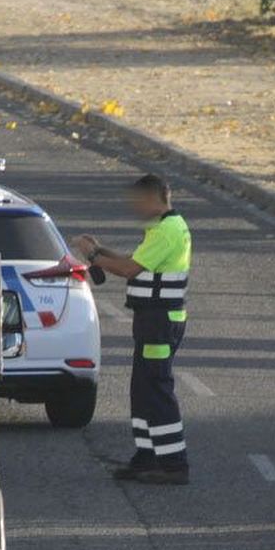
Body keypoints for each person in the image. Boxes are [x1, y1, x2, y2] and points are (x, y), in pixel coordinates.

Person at [72, 175, 192, 485]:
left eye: (138, 201)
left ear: (153, 199)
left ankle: (173, 464)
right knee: (142, 389)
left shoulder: (166, 231)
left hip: (160, 322)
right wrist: (100, 249)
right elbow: (132, 261)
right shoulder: (163, 228)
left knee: (156, 388)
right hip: (153, 320)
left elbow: (128, 270)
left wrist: (93, 255)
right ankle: (147, 457)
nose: (134, 207)